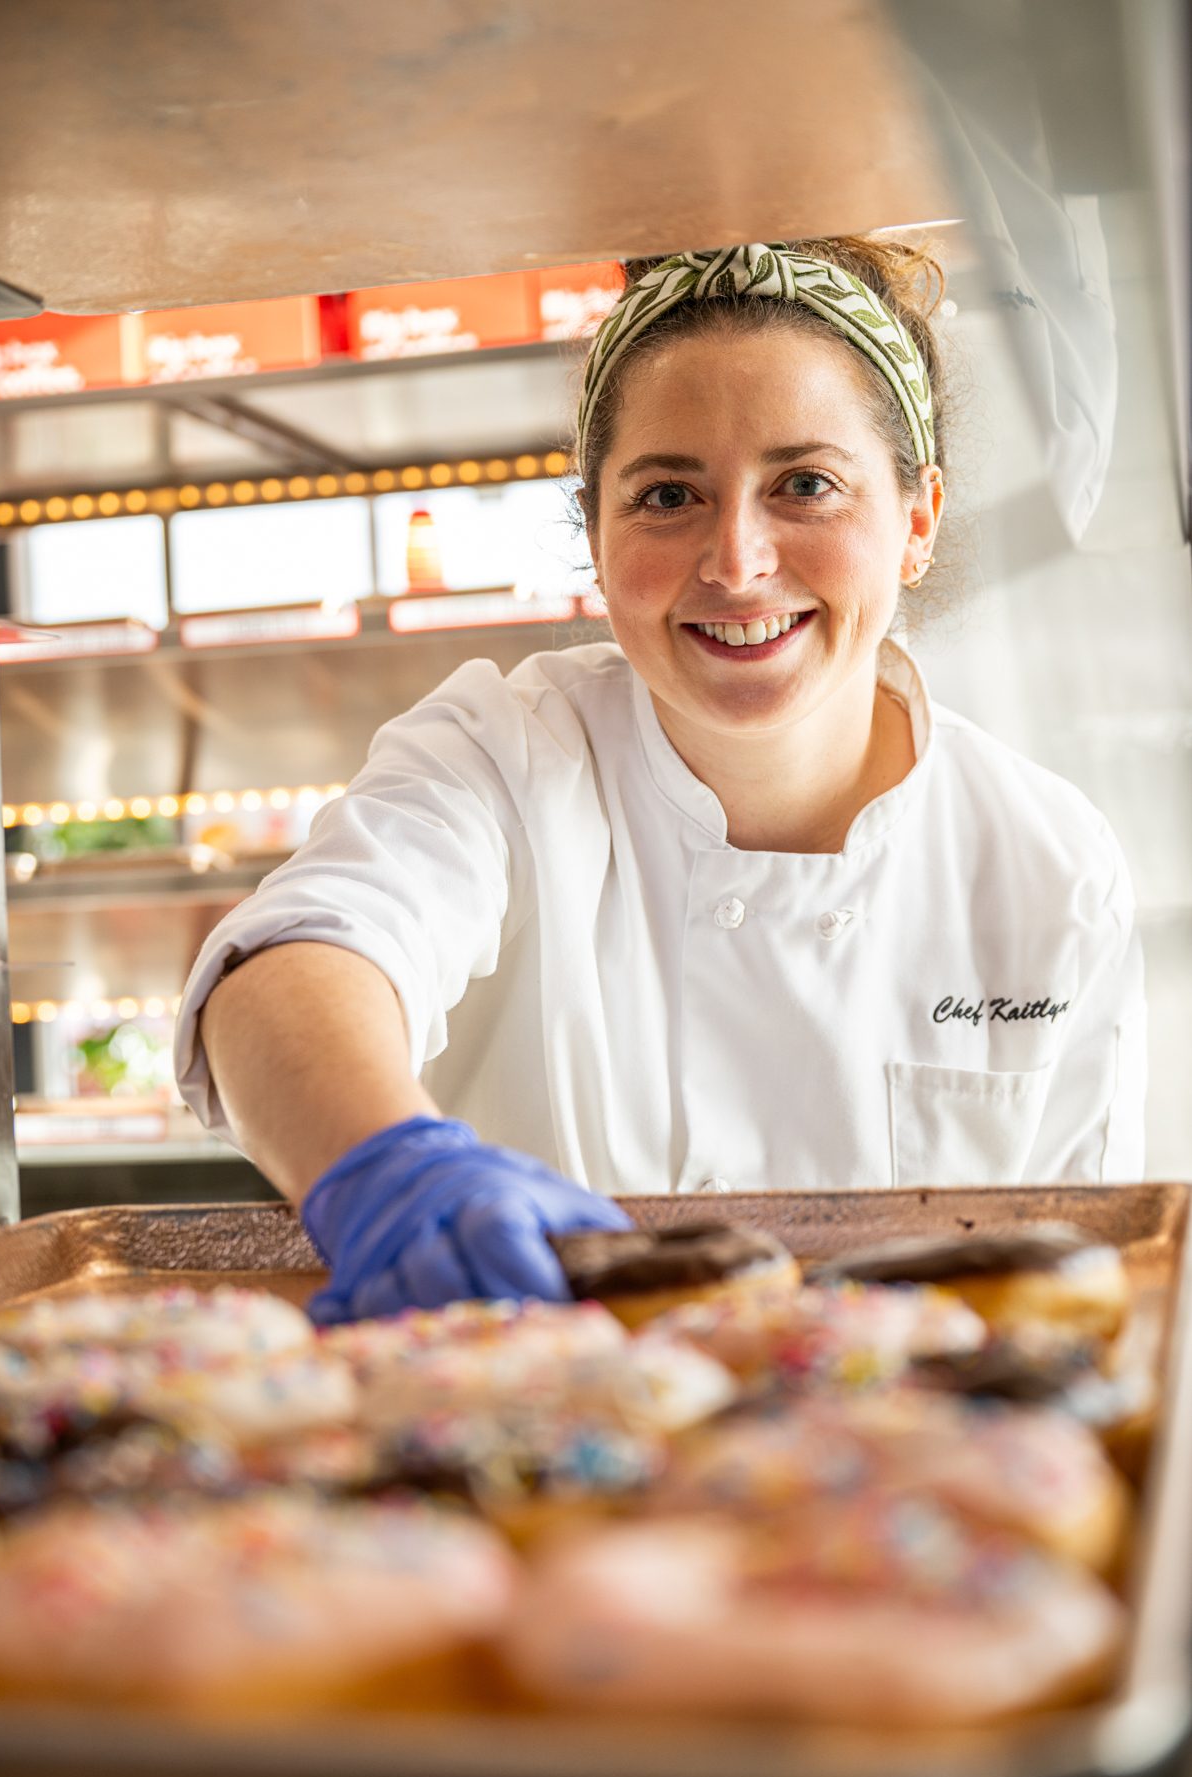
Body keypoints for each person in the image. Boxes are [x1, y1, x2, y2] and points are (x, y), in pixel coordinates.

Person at [174, 239, 1146, 1324]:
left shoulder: (1046, 862)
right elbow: (289, 970)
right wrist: (388, 1168)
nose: (735, 561)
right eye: (668, 493)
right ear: (594, 533)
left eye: (806, 485)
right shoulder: (504, 751)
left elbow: (1071, 1281)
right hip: (530, 1443)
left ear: (915, 520)